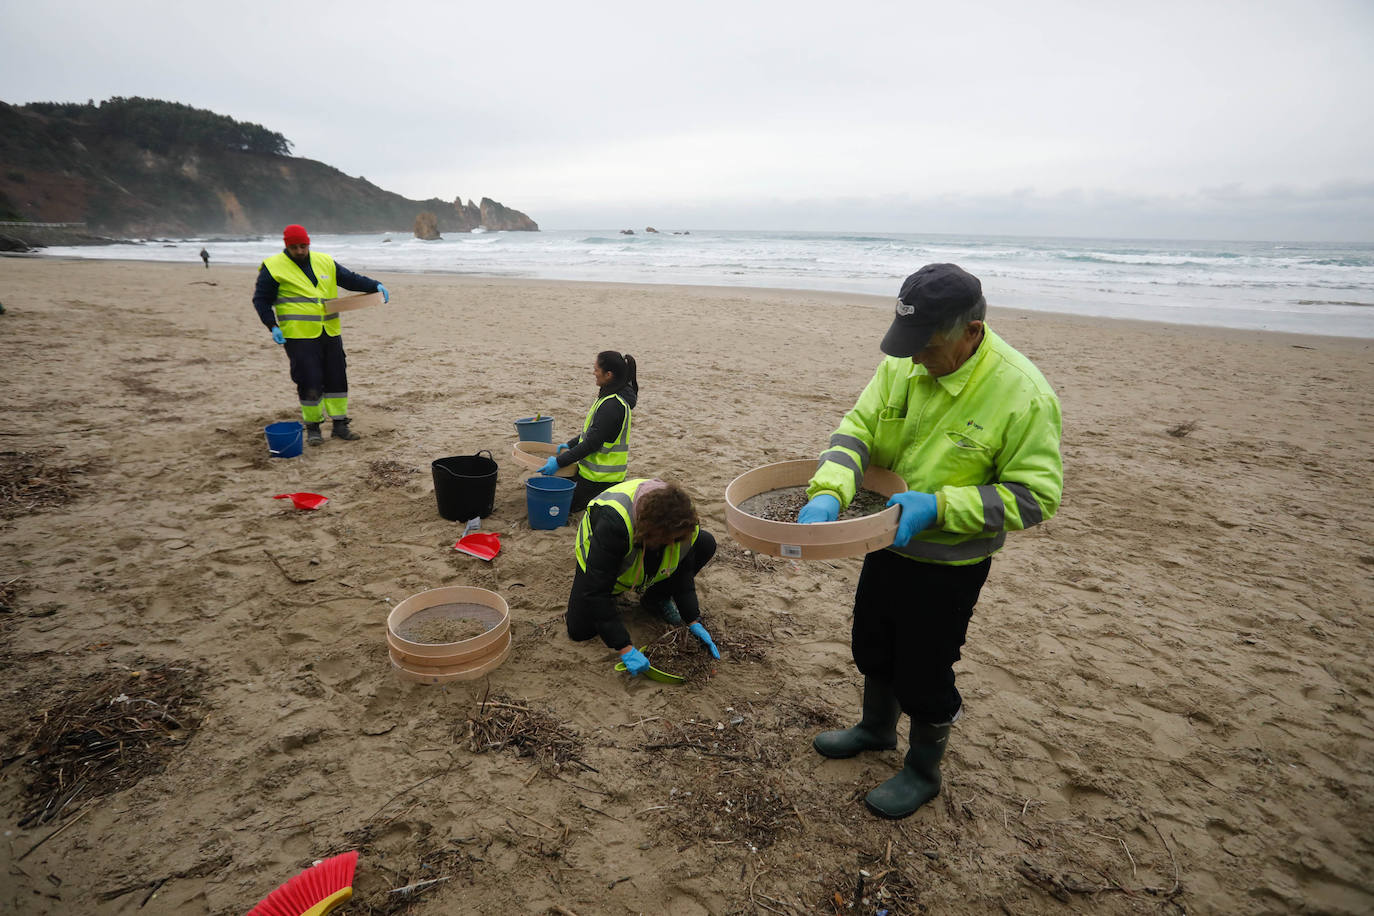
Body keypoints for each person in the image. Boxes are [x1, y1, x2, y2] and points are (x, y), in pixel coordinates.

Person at [798, 263, 1063, 819]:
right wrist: (830, 490)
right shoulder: (903, 364)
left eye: (926, 343)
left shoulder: (1022, 392)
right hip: (883, 542)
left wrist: (940, 506)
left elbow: (1036, 497)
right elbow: (857, 431)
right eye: (907, 342)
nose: (913, 356)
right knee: (872, 643)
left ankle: (922, 771)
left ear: (972, 331)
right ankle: (875, 730)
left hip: (950, 563)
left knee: (925, 667)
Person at [251, 224, 390, 444]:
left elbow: (350, 279)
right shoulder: (273, 267)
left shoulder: (324, 261)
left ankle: (340, 424)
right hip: (298, 335)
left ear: (309, 243)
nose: (299, 251)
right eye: (294, 247)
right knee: (309, 379)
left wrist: (375, 285)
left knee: (337, 377)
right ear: (286, 246)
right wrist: (272, 325)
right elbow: (261, 300)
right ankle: (313, 426)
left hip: (330, 332)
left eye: (303, 246)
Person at [565, 478, 721, 673]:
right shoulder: (615, 524)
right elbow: (595, 591)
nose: (674, 546)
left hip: (643, 545)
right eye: (668, 541)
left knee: (705, 542)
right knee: (580, 630)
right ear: (651, 533)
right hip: (597, 561)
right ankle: (616, 593)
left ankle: (656, 598)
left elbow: (683, 574)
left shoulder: (684, 522)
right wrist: (625, 647)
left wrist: (692, 618)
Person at [538, 350, 638, 512]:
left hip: (601, 481)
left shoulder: (612, 406)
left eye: (596, 369)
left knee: (555, 505)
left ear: (608, 375)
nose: (594, 373)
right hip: (592, 474)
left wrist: (559, 462)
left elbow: (592, 443)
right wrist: (570, 444)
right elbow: (595, 433)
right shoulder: (608, 398)